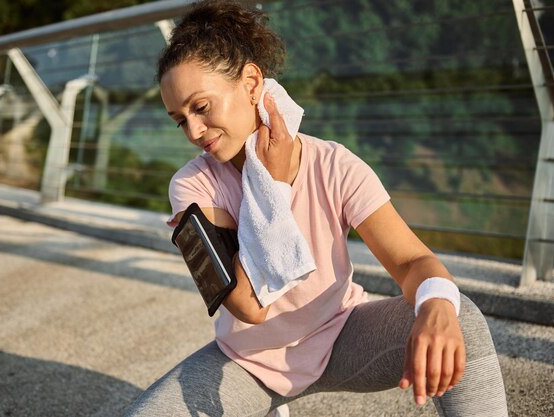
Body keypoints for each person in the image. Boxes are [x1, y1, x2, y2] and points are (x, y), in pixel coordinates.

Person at [124, 1, 508, 416]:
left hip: (340, 333)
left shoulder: (334, 164)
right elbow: (250, 306)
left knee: (456, 315)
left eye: (201, 107)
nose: (194, 131)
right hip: (246, 362)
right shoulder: (192, 185)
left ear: (252, 82)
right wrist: (271, 185)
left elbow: (413, 260)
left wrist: (435, 306)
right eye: (179, 120)